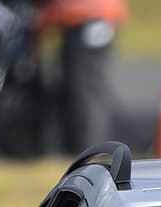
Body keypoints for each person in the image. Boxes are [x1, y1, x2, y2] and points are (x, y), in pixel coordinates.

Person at [32, 0, 129, 154]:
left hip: (90, 16)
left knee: (87, 90)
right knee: (76, 87)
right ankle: (77, 147)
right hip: (80, 18)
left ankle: (90, 151)